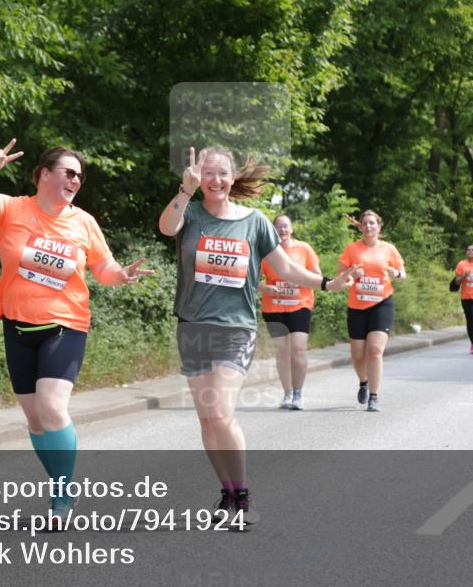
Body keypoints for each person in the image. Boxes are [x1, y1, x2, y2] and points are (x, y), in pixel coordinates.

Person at [0, 140, 152, 524]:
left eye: (80, 176)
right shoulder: (13, 209)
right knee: (34, 420)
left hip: (66, 323)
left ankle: (62, 494)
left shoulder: (84, 222)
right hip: (17, 324)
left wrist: (122, 275)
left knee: (52, 407)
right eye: (68, 172)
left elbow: (104, 268)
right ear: (44, 175)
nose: (76, 180)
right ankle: (63, 485)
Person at [158, 146, 355, 519]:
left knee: (221, 412)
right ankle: (227, 493)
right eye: (208, 173)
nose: (215, 180)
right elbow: (166, 228)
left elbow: (285, 268)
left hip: (236, 328)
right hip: (193, 327)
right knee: (206, 418)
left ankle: (244, 496)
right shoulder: (192, 213)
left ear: (233, 179)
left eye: (222, 174)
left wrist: (327, 283)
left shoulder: (255, 221)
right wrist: (184, 191)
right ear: (200, 177)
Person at [338, 210, 406, 412]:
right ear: (360, 227)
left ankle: (374, 397)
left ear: (379, 226)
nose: (368, 226)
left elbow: (402, 274)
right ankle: (363, 382)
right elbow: (340, 276)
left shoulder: (389, 249)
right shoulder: (352, 249)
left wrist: (396, 273)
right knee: (358, 355)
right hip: (357, 306)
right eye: (364, 223)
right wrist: (352, 274)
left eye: (372, 223)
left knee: (375, 351)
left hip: (382, 303)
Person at [258, 215, 321, 410]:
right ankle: (287, 393)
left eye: (285, 226)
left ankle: (298, 394)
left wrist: (300, 280)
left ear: (292, 229)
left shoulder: (304, 249)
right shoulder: (266, 251)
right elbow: (252, 278)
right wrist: (265, 289)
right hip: (274, 306)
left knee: (298, 348)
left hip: (300, 305)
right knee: (282, 351)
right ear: (273, 230)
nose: (282, 230)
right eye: (278, 227)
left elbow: (317, 276)